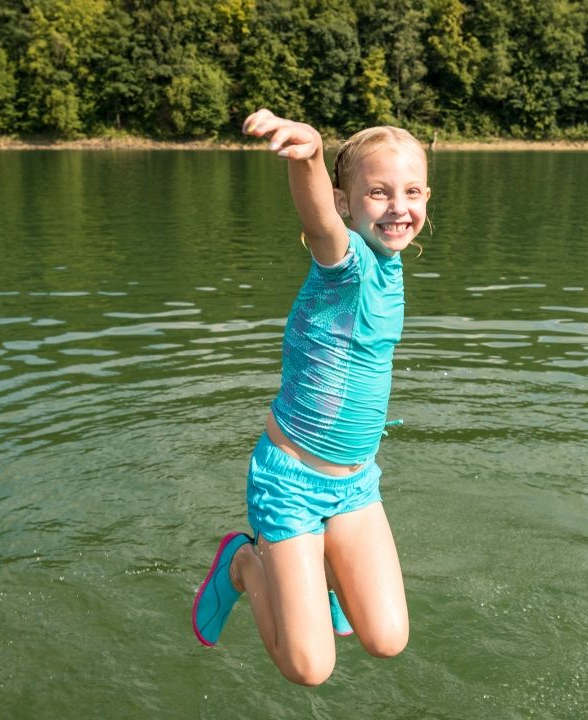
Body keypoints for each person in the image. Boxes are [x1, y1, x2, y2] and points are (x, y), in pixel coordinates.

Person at [191, 109, 431, 686]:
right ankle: (245, 564)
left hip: (355, 483)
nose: (399, 206)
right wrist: (310, 158)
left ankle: (322, 570)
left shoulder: (390, 263)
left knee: (388, 640)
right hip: (292, 481)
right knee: (311, 668)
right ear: (346, 203)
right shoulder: (342, 264)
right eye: (378, 192)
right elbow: (319, 223)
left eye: (413, 191)